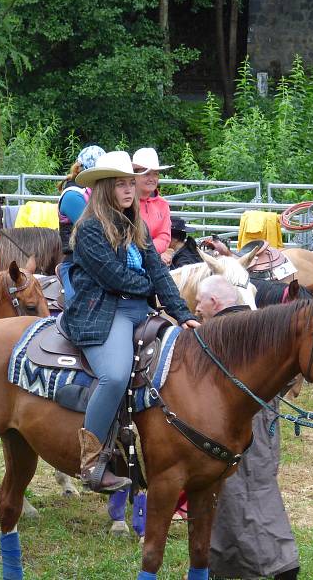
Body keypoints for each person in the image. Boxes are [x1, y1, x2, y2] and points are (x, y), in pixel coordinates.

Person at [64, 150, 199, 493]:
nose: (129, 190)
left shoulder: (133, 223)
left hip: (138, 309)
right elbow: (115, 278)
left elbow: (157, 270)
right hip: (102, 311)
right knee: (115, 376)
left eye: (130, 183)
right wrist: (152, 287)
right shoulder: (91, 229)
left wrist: (183, 314)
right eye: (121, 184)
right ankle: (92, 462)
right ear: (106, 188)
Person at [195, 275, 300, 580]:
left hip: (238, 426)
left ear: (214, 302)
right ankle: (224, 564)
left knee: (247, 493)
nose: (197, 309)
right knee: (233, 494)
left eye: (200, 303)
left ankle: (280, 564)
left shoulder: (220, 332)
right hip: (264, 424)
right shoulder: (262, 325)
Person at [57, 145, 105, 302]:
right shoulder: (73, 196)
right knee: (78, 304)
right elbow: (94, 230)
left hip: (95, 259)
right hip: (75, 262)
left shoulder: (92, 193)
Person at [132, 147, 173, 264]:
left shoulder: (163, 204)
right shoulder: (126, 203)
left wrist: (150, 252)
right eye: (146, 174)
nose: (152, 179)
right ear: (134, 175)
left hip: (154, 260)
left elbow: (164, 236)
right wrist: (155, 254)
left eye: (155, 174)